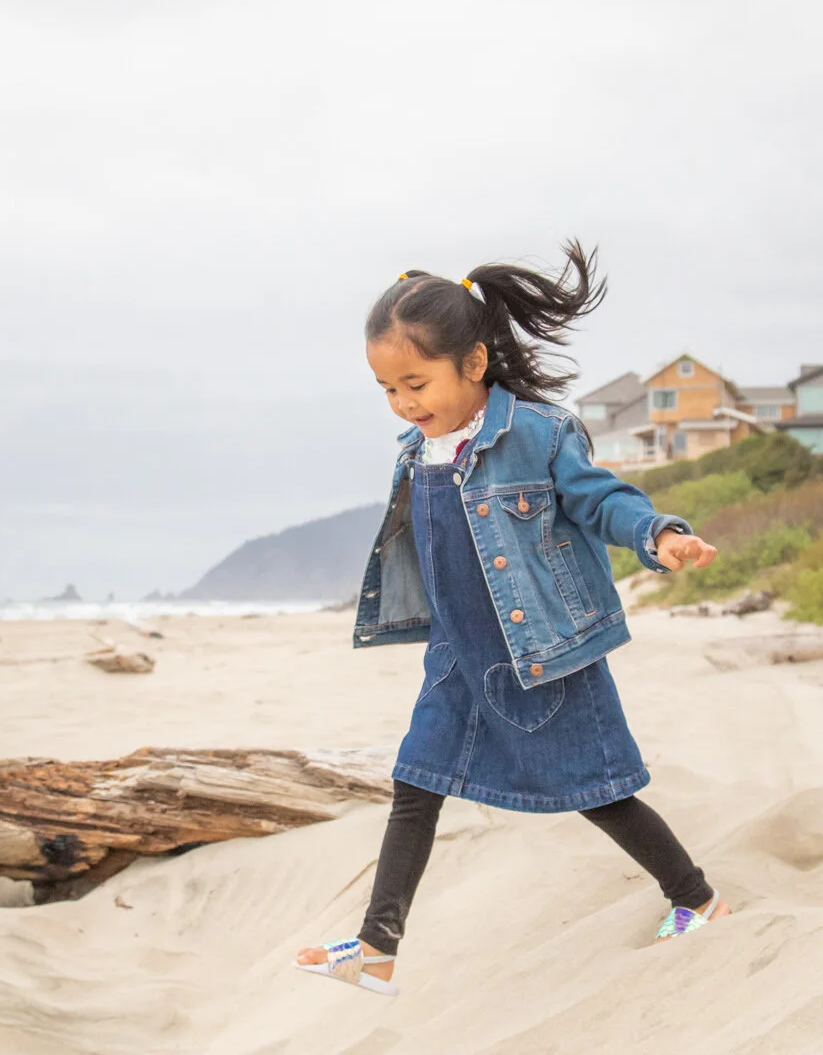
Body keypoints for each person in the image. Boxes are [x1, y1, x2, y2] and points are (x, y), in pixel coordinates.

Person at [295, 242, 728, 997]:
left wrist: (657, 534)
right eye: (387, 388)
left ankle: (695, 898)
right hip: (459, 657)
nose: (404, 403)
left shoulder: (538, 433)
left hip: (544, 653)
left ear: (474, 362)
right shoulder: (417, 450)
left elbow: (601, 499)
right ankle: (375, 947)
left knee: (601, 788)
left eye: (416, 382)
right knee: (414, 782)